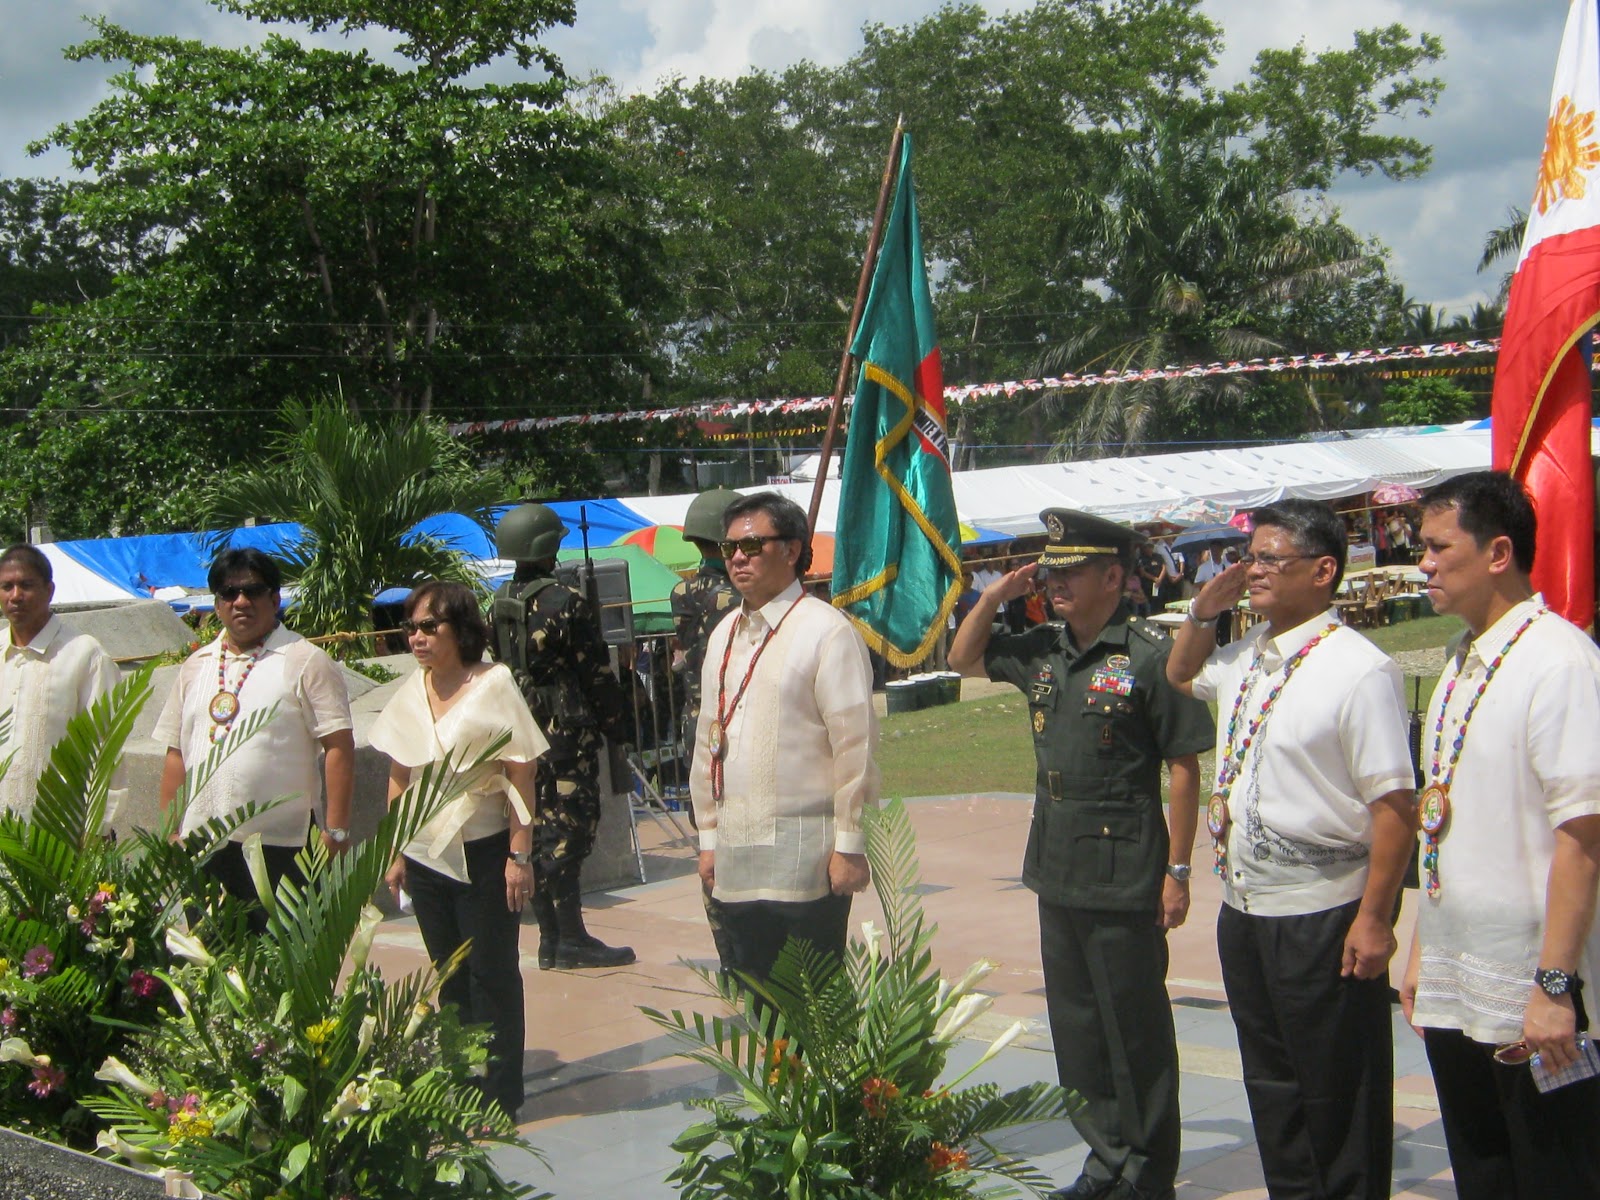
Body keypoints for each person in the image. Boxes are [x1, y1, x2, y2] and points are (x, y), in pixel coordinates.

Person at [949, 508, 1213, 1200]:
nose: (1056, 583)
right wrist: (997, 597)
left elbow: (1183, 766)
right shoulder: (1043, 648)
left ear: (1115, 577)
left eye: (1070, 572)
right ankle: (1104, 1159)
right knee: (1078, 1028)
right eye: (1051, 571)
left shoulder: (1150, 656)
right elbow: (961, 659)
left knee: (1134, 1030)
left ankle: (1146, 1170)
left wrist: (1178, 871)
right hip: (1057, 865)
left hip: (1126, 868)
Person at [1166, 499, 1416, 1200]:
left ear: (1323, 570)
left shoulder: (1358, 669)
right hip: (1247, 906)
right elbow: (1181, 674)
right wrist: (1202, 611)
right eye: (1254, 558)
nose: (1256, 572)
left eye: (1273, 559)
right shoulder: (1249, 654)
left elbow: (1394, 807)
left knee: (1339, 1089)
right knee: (1273, 1084)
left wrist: (1376, 917)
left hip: (1325, 911)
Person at [1398, 471, 1600, 1198]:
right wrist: (1426, 947)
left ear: (1498, 553)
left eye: (1435, 546)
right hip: (1460, 971)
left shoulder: (1560, 662)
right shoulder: (1458, 659)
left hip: (1531, 985)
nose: (1420, 562)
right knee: (1484, 1170)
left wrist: (1553, 986)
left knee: (1552, 1173)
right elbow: (1441, 821)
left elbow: (1582, 836)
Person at [689, 491, 878, 986]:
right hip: (734, 854)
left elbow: (854, 747)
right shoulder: (724, 632)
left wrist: (850, 845)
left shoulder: (826, 631)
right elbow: (707, 740)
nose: (736, 558)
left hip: (804, 860)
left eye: (752, 546)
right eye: (729, 548)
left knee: (813, 1014)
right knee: (756, 1010)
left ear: (792, 550)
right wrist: (708, 839)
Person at [372, 581, 544, 1119]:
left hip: (484, 847)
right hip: (426, 852)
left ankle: (500, 1091)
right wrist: (395, 851)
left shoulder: (494, 683)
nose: (417, 637)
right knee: (448, 972)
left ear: (460, 629)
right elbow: (399, 775)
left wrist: (520, 854)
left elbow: (523, 770)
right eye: (411, 627)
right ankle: (462, 1078)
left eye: (429, 626)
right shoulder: (411, 689)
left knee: (491, 971)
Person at [154, 548, 355, 929]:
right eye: (228, 593)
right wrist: (169, 832)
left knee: (281, 967)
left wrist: (337, 831)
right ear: (216, 604)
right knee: (211, 965)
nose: (240, 601)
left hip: (283, 845)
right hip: (204, 847)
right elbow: (176, 750)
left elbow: (339, 746)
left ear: (275, 599)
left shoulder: (305, 660)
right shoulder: (197, 665)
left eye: (253, 591)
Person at [490, 503, 635, 969]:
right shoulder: (564, 601)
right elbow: (594, 672)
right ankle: (569, 938)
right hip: (565, 735)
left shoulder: (498, 600)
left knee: (533, 830)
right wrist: (618, 726)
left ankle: (551, 940)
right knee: (570, 828)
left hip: (519, 732)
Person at [670, 487, 742, 965]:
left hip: (696, 724)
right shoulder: (734, 598)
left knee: (709, 838)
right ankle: (745, 948)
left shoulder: (682, 592)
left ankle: (726, 947)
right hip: (730, 723)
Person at [0, 544, 122, 819]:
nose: (15, 596)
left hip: (59, 833)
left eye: (26, 585)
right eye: (7, 586)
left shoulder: (84, 654)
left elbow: (104, 747)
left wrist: (96, 827)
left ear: (49, 590)